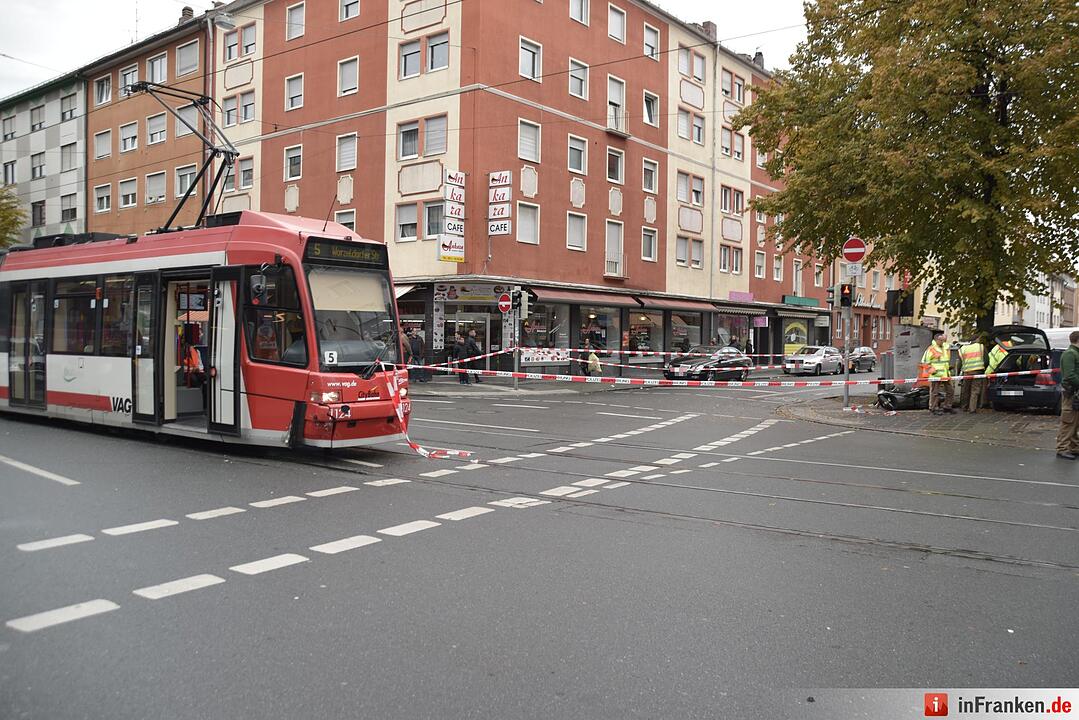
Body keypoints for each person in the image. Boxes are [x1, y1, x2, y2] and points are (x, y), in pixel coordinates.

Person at [1057, 330, 1079, 460]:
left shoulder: (1075, 353)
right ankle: (1062, 448)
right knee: (1068, 421)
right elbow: (1070, 375)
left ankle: (1074, 446)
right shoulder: (1070, 354)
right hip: (1071, 393)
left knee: (1075, 421)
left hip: (1075, 393)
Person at [921, 330, 955, 415]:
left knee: (950, 390)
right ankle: (933, 407)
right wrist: (933, 371)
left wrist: (949, 368)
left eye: (943, 340)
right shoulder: (931, 349)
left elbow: (944, 361)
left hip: (945, 373)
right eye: (940, 340)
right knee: (935, 392)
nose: (942, 341)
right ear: (936, 340)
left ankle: (947, 406)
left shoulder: (944, 348)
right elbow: (924, 362)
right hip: (935, 374)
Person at [957, 337, 986, 413]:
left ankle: (964, 407)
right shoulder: (980, 347)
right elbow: (986, 360)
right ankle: (972, 408)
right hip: (978, 371)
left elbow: (959, 363)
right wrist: (984, 369)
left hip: (966, 372)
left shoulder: (963, 348)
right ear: (977, 339)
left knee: (965, 390)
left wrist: (958, 373)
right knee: (975, 390)